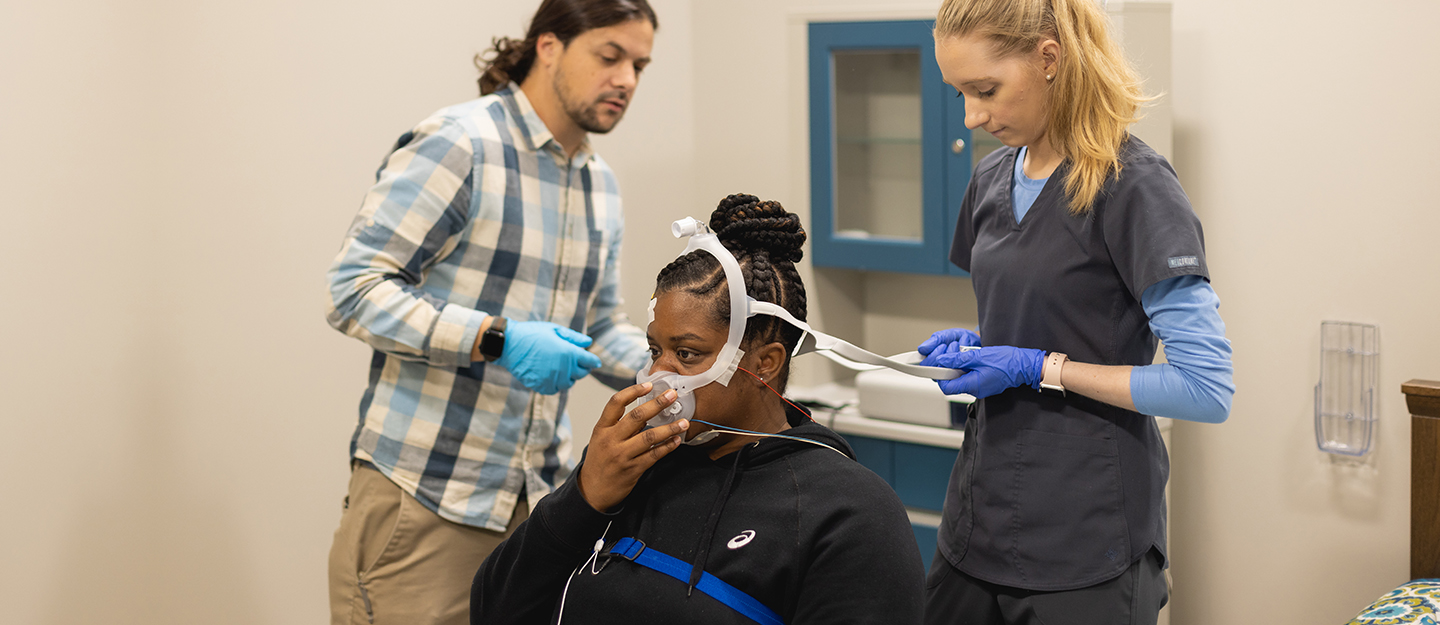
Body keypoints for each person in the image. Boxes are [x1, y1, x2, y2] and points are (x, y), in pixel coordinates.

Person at [322, 1, 658, 623]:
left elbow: (602, 326)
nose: (627, 81)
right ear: (548, 46)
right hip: (427, 498)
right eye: (609, 56)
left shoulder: (599, 184)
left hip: (538, 507)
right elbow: (354, 288)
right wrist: (497, 337)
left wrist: (677, 374)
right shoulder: (462, 144)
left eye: (639, 65)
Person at [918, 0, 1235, 623]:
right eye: (958, 92)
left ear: (1049, 58)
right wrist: (985, 347)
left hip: (1086, 540)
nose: (972, 116)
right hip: (976, 523)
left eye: (985, 90)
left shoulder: (1135, 185)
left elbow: (1206, 389)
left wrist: (1040, 366)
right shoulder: (989, 178)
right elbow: (1054, 315)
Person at [470, 194, 926, 625]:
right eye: (654, 350)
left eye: (687, 354)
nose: (656, 377)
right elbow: (494, 609)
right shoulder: (635, 465)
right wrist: (583, 497)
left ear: (764, 363)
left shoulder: (847, 512)